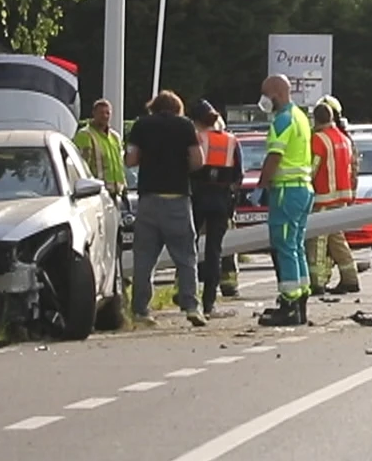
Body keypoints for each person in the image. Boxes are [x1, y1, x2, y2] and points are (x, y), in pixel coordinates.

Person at [126, 90, 206, 327]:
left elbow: (130, 159)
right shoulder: (185, 126)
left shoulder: (141, 125)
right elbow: (198, 160)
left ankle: (141, 310)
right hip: (177, 198)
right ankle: (191, 306)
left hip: (149, 199)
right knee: (185, 256)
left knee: (144, 258)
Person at [256, 75, 316, 326]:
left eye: (265, 94)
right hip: (303, 190)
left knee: (284, 246)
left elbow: (274, 156)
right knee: (296, 246)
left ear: (276, 95)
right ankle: (300, 301)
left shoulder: (283, 120)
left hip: (286, 190)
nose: (263, 100)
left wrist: (262, 184)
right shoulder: (301, 117)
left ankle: (289, 305)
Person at [188, 100, 244, 317]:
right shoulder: (231, 140)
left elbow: (188, 167)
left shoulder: (196, 138)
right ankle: (209, 302)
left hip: (197, 196)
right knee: (214, 250)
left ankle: (189, 297)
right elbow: (238, 175)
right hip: (221, 198)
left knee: (189, 248)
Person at [308, 101, 362, 294]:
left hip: (324, 197)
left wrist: (305, 185)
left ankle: (317, 282)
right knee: (337, 239)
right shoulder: (344, 139)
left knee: (317, 240)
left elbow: (313, 169)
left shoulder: (318, 139)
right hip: (342, 197)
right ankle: (350, 278)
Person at [74, 99, 126, 200]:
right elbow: (82, 165)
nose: (105, 116)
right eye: (101, 113)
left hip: (116, 193)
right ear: (94, 113)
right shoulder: (85, 135)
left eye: (107, 113)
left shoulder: (115, 137)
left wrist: (124, 189)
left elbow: (119, 165)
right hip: (96, 193)